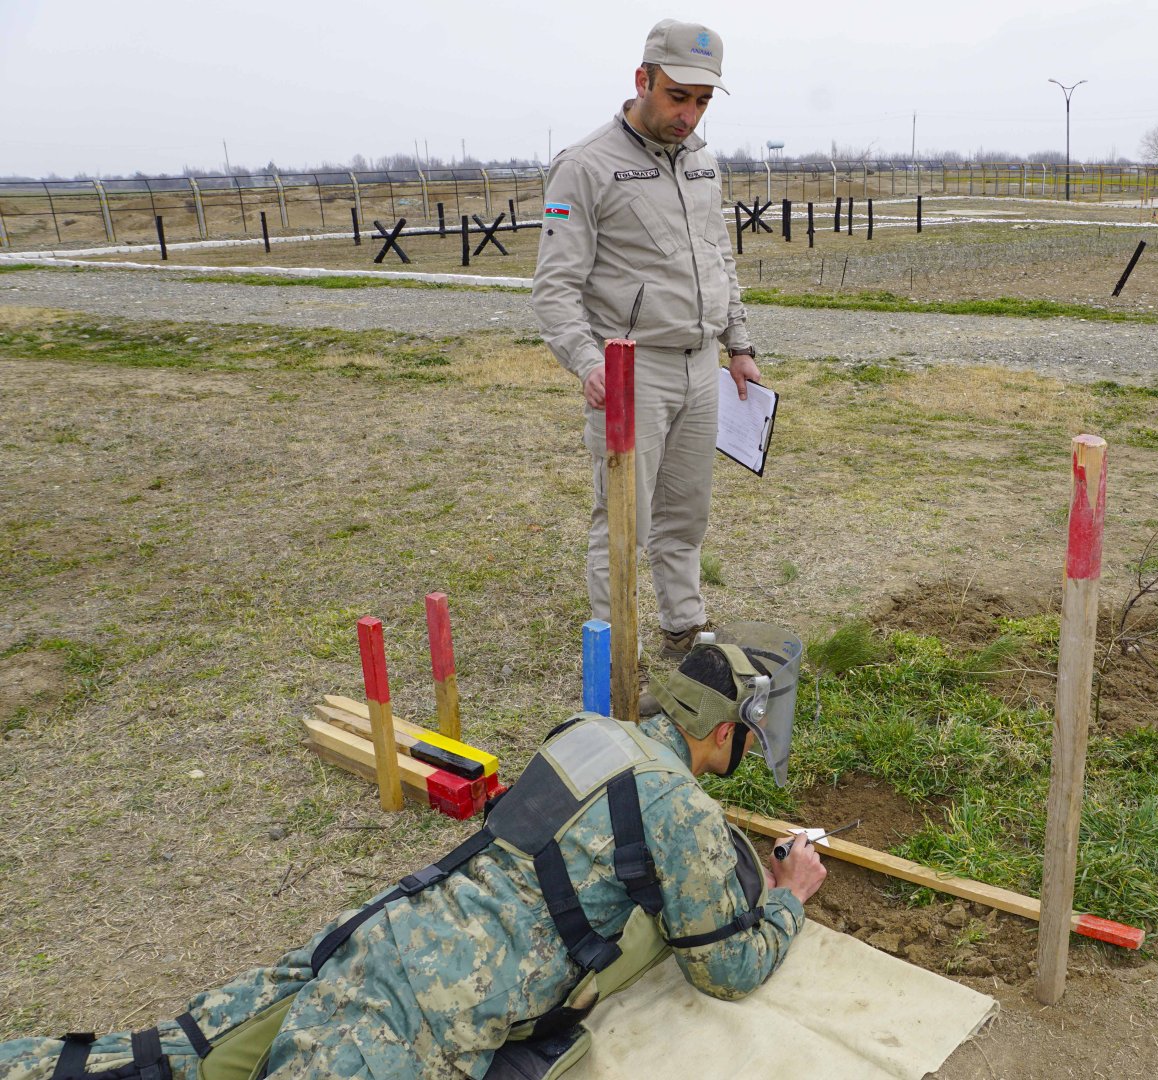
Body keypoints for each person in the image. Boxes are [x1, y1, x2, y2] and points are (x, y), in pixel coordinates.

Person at [0, 632, 824, 1080]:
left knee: (166, 1054)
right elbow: (726, 970)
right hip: (425, 1012)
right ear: (724, 732)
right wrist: (788, 896)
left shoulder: (588, 732)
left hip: (383, 932)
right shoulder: (681, 807)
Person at [531, 18, 760, 663]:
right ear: (643, 79)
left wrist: (738, 346)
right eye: (678, 96)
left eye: (703, 102)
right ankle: (616, 647)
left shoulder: (704, 165)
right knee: (623, 520)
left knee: (685, 513)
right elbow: (554, 288)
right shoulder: (583, 168)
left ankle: (683, 626)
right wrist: (586, 362)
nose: (689, 115)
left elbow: (719, 259)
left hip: (702, 363)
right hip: (632, 372)